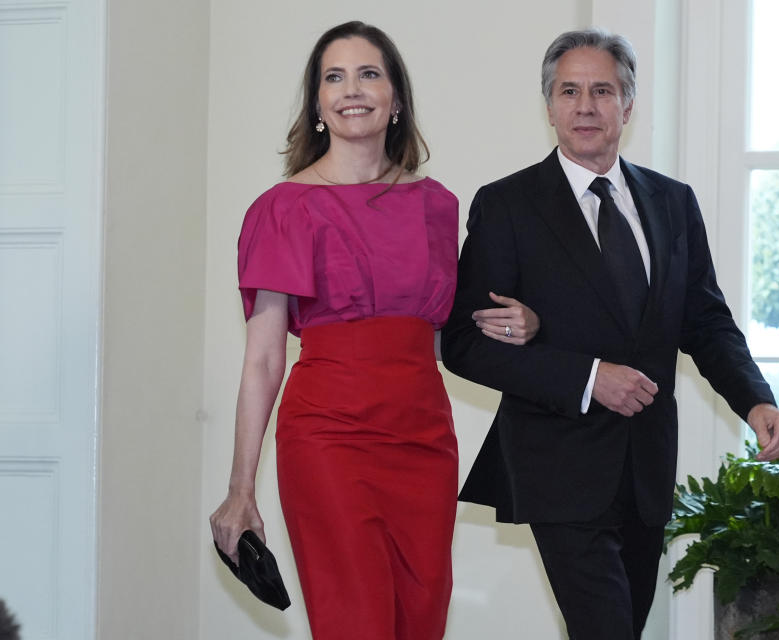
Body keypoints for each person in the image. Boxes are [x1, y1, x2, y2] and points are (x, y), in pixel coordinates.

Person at [441, 28, 779, 639]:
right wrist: (586, 377)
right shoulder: (507, 206)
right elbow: (465, 344)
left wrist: (754, 397)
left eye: (602, 90)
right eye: (569, 91)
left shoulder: (673, 202)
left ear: (628, 106)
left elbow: (705, 320)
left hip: (645, 468)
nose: (585, 106)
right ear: (548, 104)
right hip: (557, 467)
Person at [209, 21, 539, 640]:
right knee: (354, 621)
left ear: (396, 98)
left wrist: (520, 326)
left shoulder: (437, 204)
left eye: (369, 74)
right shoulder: (282, 208)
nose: (351, 90)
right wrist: (239, 488)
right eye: (334, 77)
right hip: (327, 438)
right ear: (316, 102)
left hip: (424, 439)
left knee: (420, 622)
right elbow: (261, 361)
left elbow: (442, 334)